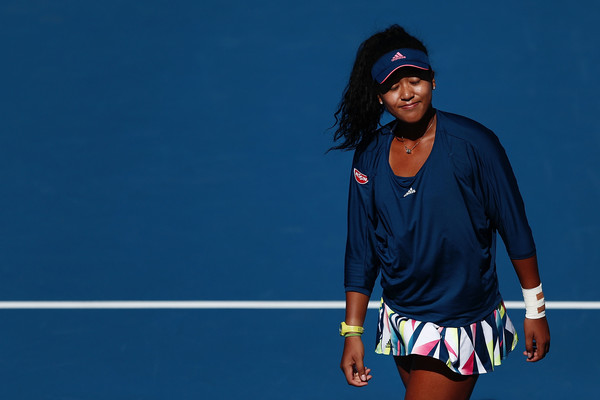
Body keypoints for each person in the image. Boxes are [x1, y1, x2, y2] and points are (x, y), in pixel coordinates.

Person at [332, 25, 550, 399]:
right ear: (379, 96)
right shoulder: (368, 156)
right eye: (393, 85)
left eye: (415, 79)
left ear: (433, 81)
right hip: (402, 316)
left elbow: (514, 226)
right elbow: (361, 247)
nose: (406, 93)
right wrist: (353, 332)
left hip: (457, 321)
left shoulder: (475, 145)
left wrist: (536, 309)